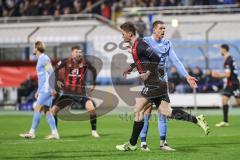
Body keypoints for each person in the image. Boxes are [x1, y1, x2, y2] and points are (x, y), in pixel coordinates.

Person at [116, 22, 209, 151]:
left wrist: (148, 72)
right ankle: (196, 120)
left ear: (129, 34)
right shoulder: (141, 43)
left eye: (123, 34)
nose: (122, 36)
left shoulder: (142, 44)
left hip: (154, 82)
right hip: (159, 83)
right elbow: (141, 60)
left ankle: (133, 144)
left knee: (138, 110)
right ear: (154, 30)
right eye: (161, 28)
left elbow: (157, 58)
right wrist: (131, 68)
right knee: (167, 112)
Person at [51, 46, 100, 138]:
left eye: (80, 52)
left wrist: (94, 83)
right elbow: (55, 70)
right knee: (53, 111)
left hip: (79, 93)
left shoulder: (84, 62)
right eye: (76, 52)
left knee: (92, 110)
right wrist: (55, 87)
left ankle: (94, 131)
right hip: (67, 93)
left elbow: (93, 70)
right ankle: (55, 133)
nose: (79, 54)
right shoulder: (65, 61)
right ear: (72, 53)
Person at [20, 41, 59, 139]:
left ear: (37, 48)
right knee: (47, 111)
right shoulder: (41, 59)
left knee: (37, 108)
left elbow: (51, 72)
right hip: (44, 88)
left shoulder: (44, 58)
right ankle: (55, 133)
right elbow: (42, 77)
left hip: (47, 89)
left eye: (34, 47)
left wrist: (52, 88)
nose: (33, 49)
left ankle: (32, 132)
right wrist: (38, 90)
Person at [211, 44, 240, 127]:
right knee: (224, 100)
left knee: (238, 103)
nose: (219, 51)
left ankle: (225, 121)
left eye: (220, 49)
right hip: (230, 84)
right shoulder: (230, 58)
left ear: (224, 49)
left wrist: (217, 75)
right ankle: (225, 121)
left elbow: (227, 75)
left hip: (233, 84)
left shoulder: (228, 60)